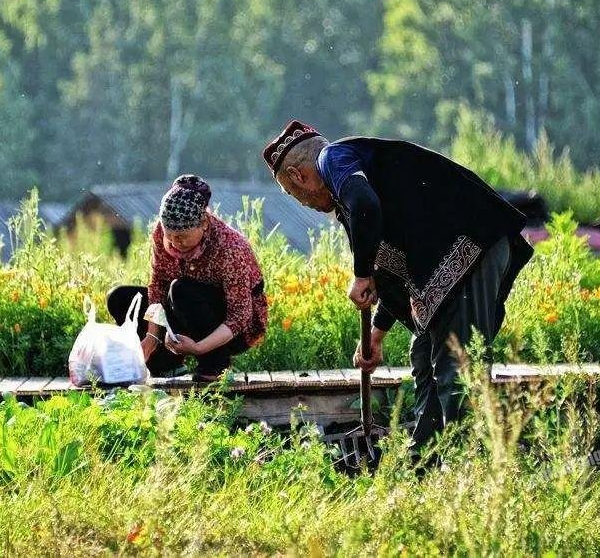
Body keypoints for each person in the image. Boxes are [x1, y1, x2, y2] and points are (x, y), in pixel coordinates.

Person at [263, 120, 533, 447]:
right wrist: (376, 334)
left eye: (293, 194)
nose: (301, 202)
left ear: (298, 176)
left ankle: (469, 464)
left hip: (471, 247)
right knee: (424, 356)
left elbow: (366, 208)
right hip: (449, 261)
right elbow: (388, 271)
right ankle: (425, 461)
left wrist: (360, 273)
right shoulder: (347, 190)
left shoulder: (332, 159)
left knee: (457, 364)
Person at [106, 175, 267, 381]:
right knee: (120, 298)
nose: (174, 243)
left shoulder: (230, 247)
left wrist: (199, 348)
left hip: (233, 328)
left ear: (205, 223)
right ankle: (165, 363)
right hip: (183, 307)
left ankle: (216, 364)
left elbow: (239, 316)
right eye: (170, 236)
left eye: (182, 237)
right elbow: (158, 286)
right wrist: (152, 336)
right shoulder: (161, 234)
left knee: (181, 289)